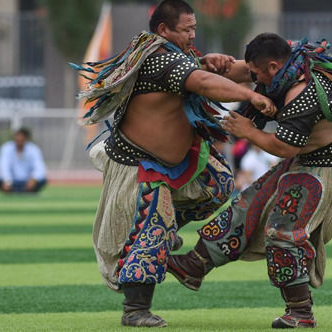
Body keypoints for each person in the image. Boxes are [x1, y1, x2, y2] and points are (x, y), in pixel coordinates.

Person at [70, 0, 275, 328]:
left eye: (195, 28)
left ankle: (164, 232)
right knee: (154, 224)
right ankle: (135, 310)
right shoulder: (157, 58)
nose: (193, 35)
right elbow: (206, 84)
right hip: (142, 165)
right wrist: (250, 96)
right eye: (186, 29)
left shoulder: (182, 56)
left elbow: (232, 71)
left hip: (179, 163)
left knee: (219, 184)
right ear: (163, 30)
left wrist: (272, 63)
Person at [167, 33, 332, 328]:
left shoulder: (302, 92)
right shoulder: (288, 60)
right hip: (307, 162)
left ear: (273, 67)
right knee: (248, 204)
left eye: (258, 75)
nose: (255, 80)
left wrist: (247, 130)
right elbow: (238, 69)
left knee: (282, 230)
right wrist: (204, 64)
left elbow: (285, 147)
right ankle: (195, 265)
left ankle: (300, 313)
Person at [0, 127, 46, 193]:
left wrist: (33, 179)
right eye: (17, 136)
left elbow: (39, 168)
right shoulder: (6, 148)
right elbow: (3, 167)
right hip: (11, 182)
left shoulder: (34, 150)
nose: (19, 139)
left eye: (21, 137)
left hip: (28, 181)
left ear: (26, 138)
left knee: (42, 180)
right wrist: (7, 181)